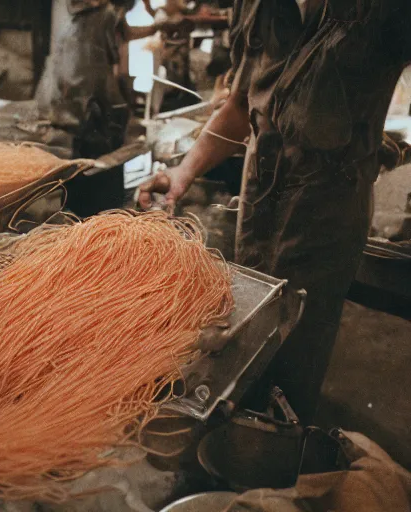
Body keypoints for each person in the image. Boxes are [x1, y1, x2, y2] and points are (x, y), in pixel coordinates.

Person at [137, 0, 411, 424]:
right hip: (258, 201)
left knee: (294, 362)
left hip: (325, 211)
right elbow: (241, 105)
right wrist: (182, 172)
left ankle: (277, 462)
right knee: (242, 347)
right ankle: (235, 452)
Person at [35, 0, 160, 160]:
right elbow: (117, 65)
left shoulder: (93, 13)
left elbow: (125, 32)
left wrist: (157, 27)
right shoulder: (106, 13)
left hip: (68, 81)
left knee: (79, 138)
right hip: (84, 81)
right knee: (94, 138)